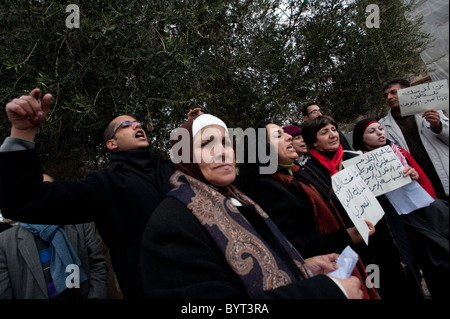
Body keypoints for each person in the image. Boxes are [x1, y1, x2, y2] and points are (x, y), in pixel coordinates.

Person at [140, 113, 365, 299]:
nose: (222, 151)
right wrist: (325, 292)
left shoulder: (239, 202)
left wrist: (303, 268)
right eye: (206, 143)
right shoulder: (172, 224)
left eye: (226, 142)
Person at [0, 88, 178, 298]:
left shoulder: (174, 171)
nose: (137, 124)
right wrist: (22, 134)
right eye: (126, 125)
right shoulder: (104, 186)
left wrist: (198, 127)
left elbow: (216, 173)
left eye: (137, 122)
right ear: (112, 144)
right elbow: (24, 201)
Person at [236, 119, 378, 299]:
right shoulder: (265, 188)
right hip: (319, 280)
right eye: (278, 135)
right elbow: (290, 245)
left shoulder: (297, 173)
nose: (289, 137)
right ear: (262, 149)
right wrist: (346, 235)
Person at [301, 115, 425, 299]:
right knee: (373, 286)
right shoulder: (307, 173)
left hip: (383, 233)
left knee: (402, 280)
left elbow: (389, 188)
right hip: (352, 240)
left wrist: (407, 175)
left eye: (334, 129)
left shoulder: (359, 158)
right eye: (324, 132)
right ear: (314, 142)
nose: (333, 135)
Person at [353, 118, 450, 299]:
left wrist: (424, 196)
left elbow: (422, 178)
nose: (380, 133)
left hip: (421, 215)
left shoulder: (399, 152)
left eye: (381, 129)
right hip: (396, 222)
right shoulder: (358, 163)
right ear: (362, 139)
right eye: (372, 131)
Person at [0, 174, 108, 299]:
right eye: (35, 190)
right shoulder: (5, 242)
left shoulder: (80, 226)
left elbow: (98, 266)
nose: (42, 195)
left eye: (47, 188)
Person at [379, 78, 449, 201]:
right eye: (386, 95)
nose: (389, 97)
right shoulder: (383, 126)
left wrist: (438, 126)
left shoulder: (431, 111)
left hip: (444, 177)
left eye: (394, 92)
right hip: (419, 186)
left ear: (408, 92)